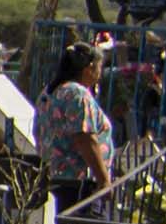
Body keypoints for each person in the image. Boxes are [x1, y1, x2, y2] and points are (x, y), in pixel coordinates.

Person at [38, 41, 117, 200]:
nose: (100, 73)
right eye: (99, 67)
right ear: (89, 68)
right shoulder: (77, 95)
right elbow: (85, 138)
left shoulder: (49, 92)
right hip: (79, 184)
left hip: (54, 177)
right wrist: (103, 181)